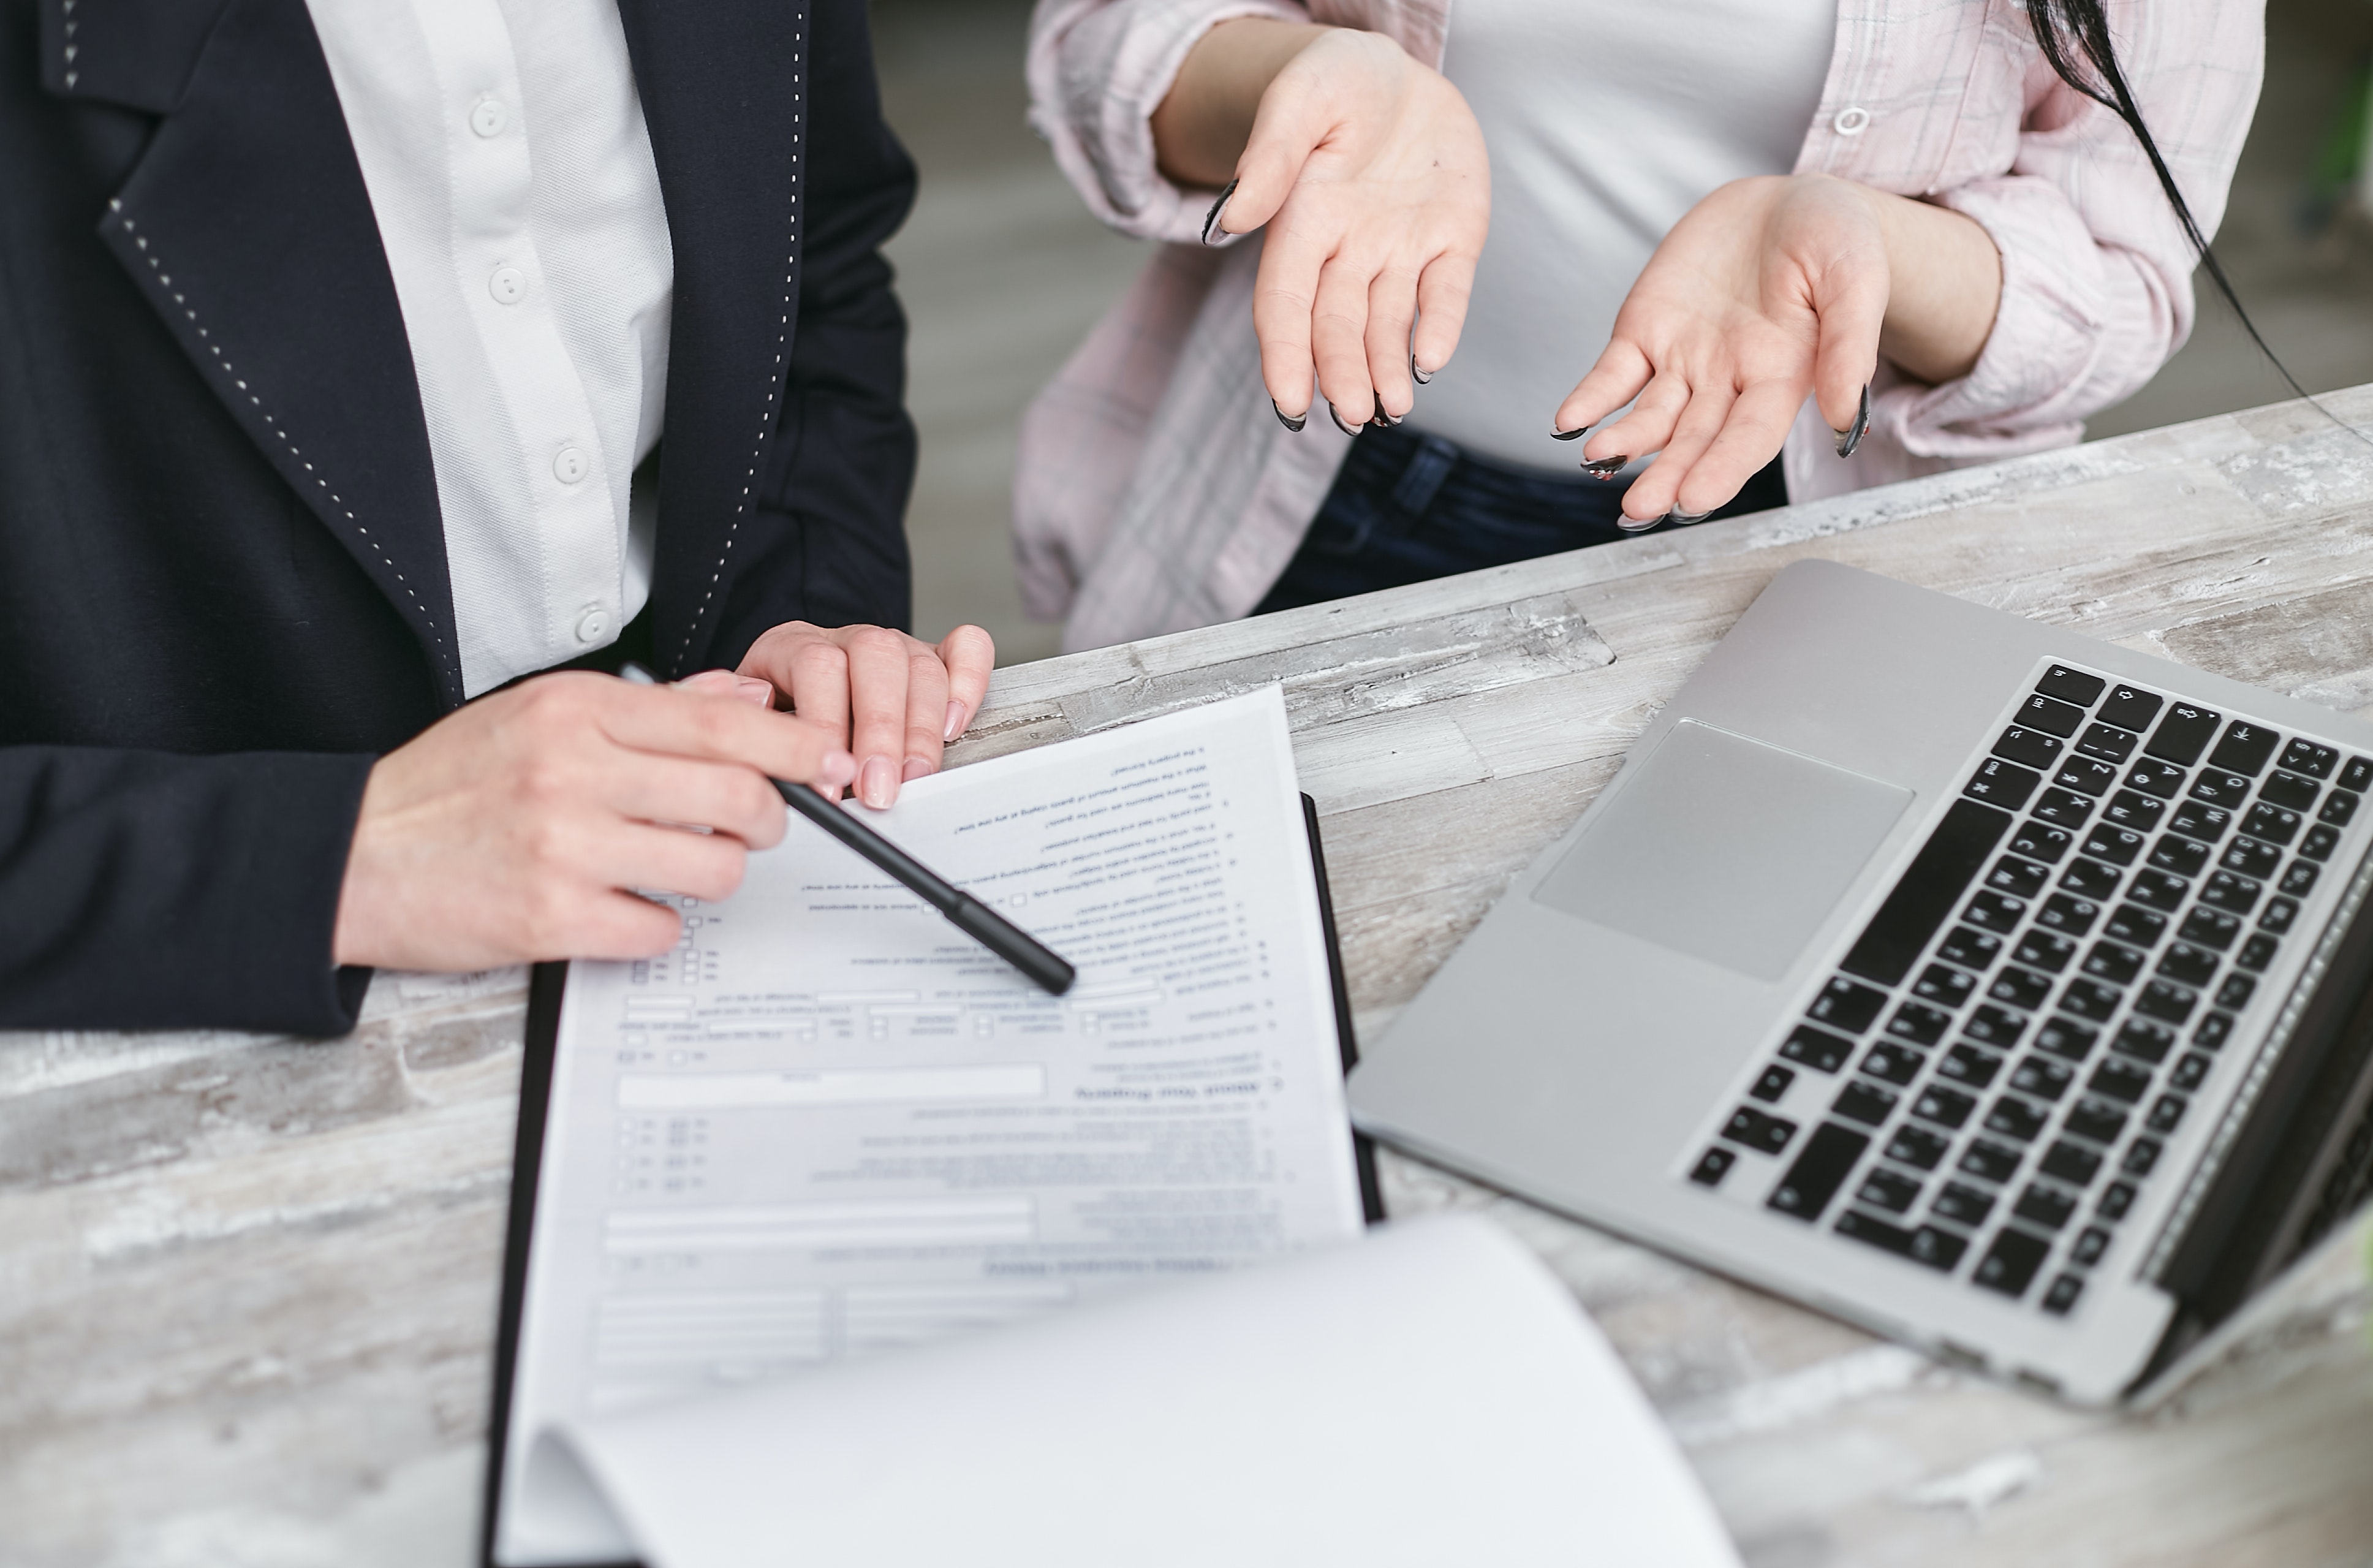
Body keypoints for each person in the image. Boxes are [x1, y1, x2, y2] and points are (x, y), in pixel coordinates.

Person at [0, 0, 990, 1033]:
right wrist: (328, 856)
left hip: (717, 876)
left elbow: (815, 253)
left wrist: (797, 605)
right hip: (211, 1013)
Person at [1016, 0, 2263, 651]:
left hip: (1814, 545)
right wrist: (1298, 79)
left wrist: (1863, 246)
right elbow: (1106, 41)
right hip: (1331, 482)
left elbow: (2120, 276)